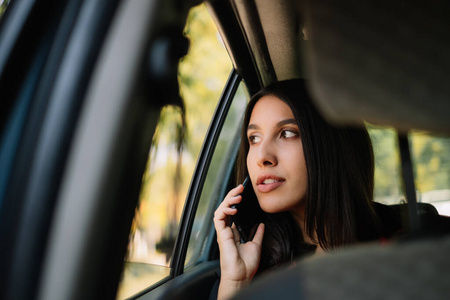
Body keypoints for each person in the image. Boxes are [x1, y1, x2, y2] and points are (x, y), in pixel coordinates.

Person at [212, 79, 401, 300]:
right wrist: (235, 285)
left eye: (287, 133)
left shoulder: (409, 255)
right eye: (254, 138)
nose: (262, 157)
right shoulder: (246, 270)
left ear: (331, 146)